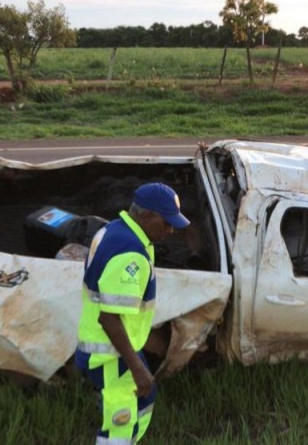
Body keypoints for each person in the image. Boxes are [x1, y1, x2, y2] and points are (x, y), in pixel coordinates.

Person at [75, 182, 189, 445]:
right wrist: (137, 367)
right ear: (147, 215)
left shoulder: (113, 230)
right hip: (110, 354)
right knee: (120, 423)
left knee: (145, 398)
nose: (171, 230)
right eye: (167, 223)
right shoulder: (130, 254)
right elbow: (109, 318)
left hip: (111, 346)